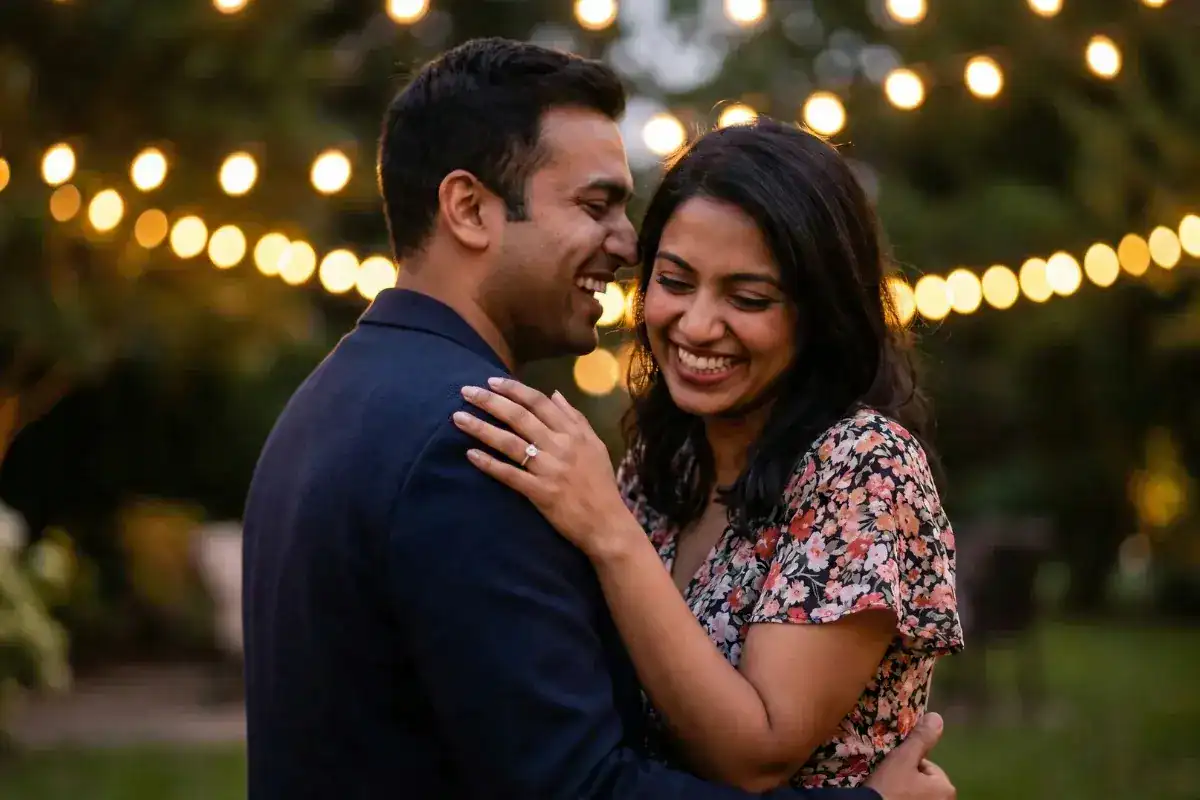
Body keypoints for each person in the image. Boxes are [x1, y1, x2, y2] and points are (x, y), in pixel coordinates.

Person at [241, 37, 956, 799]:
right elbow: (577, 785)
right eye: (595, 206)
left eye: (748, 297)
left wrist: (612, 529)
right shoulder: (480, 441)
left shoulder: (335, 397)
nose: (624, 244)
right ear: (470, 209)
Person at [455, 119, 964, 790]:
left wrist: (609, 530)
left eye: (748, 298)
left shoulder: (863, 466)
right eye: (674, 282)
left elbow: (757, 755)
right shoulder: (669, 463)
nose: (696, 326)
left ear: (820, 312)